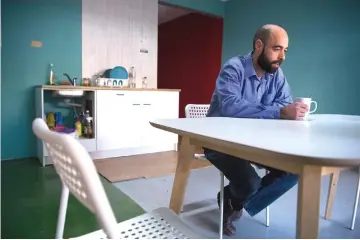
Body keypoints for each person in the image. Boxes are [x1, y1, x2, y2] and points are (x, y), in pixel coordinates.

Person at [204, 24, 309, 236]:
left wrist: (285, 111)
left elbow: (284, 102)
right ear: (259, 45)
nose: (282, 57)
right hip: (220, 142)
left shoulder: (276, 74)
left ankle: (232, 201)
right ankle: (238, 198)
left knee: (294, 170)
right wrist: (278, 112)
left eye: (285, 51)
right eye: (277, 48)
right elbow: (231, 106)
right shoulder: (234, 67)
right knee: (250, 183)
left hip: (256, 143)